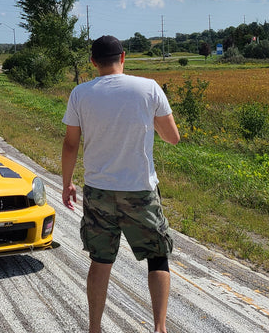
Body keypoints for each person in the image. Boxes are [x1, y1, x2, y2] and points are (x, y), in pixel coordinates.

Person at [61, 35, 180, 333]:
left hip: (98, 192)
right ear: (123, 57)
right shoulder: (148, 88)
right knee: (157, 257)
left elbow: (70, 144)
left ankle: (94, 328)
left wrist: (67, 183)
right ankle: (159, 328)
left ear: (93, 62)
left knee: (101, 260)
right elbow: (172, 137)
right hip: (140, 190)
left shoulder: (80, 93)